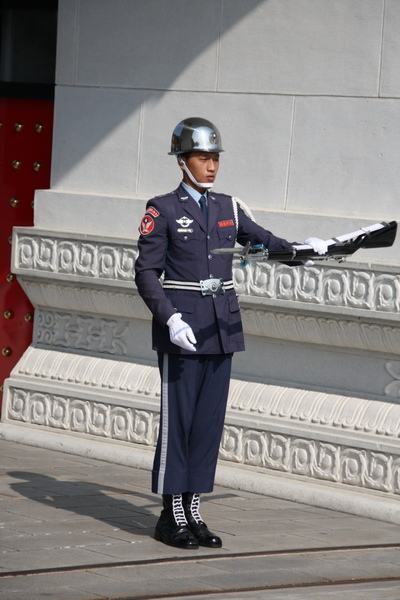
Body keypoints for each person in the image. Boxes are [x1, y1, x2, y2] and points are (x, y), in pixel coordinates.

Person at [134, 117, 327, 550]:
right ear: (182, 162)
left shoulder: (229, 207)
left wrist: (302, 252)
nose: (212, 166)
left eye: (215, 158)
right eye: (203, 158)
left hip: (221, 327)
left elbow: (264, 241)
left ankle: (193, 507)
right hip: (183, 328)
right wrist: (169, 318)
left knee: (207, 425)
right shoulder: (161, 208)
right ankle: (171, 514)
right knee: (179, 422)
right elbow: (146, 273)